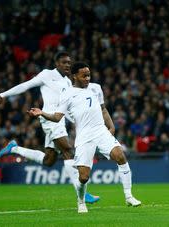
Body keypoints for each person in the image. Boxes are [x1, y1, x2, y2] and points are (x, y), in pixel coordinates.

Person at [28, 62, 141, 213]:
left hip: (100, 131)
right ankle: (81, 201)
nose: (87, 78)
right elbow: (57, 117)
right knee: (83, 177)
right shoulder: (67, 94)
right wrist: (42, 113)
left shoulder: (96, 88)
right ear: (75, 76)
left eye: (89, 75)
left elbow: (103, 109)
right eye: (84, 76)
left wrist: (111, 126)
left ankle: (128, 196)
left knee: (120, 156)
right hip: (84, 136)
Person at [0, 52, 100, 203]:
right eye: (64, 62)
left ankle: (14, 148)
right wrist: (3, 95)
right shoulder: (46, 75)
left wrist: (78, 120)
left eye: (69, 63)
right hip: (49, 120)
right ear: (57, 63)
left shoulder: (68, 82)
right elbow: (26, 85)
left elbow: (66, 108)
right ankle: (81, 193)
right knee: (68, 151)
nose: (68, 65)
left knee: (48, 160)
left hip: (59, 121)